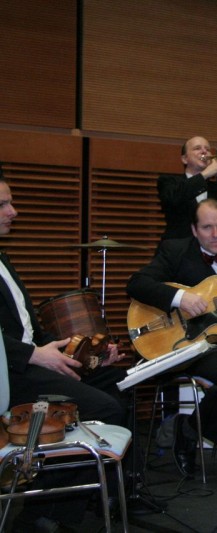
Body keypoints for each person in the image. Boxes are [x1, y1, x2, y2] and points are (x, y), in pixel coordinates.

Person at [0, 170, 128, 532]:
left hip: (30, 362)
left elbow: (29, 328)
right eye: (3, 204)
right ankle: (44, 511)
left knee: (118, 380)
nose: (13, 212)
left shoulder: (3, 258)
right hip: (11, 374)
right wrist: (35, 355)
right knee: (105, 408)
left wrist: (84, 356)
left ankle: (100, 493)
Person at [127, 198, 217, 478]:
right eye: (207, 227)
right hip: (185, 345)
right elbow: (137, 284)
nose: (216, 234)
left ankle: (189, 427)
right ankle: (189, 434)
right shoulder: (176, 251)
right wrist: (180, 298)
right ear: (194, 230)